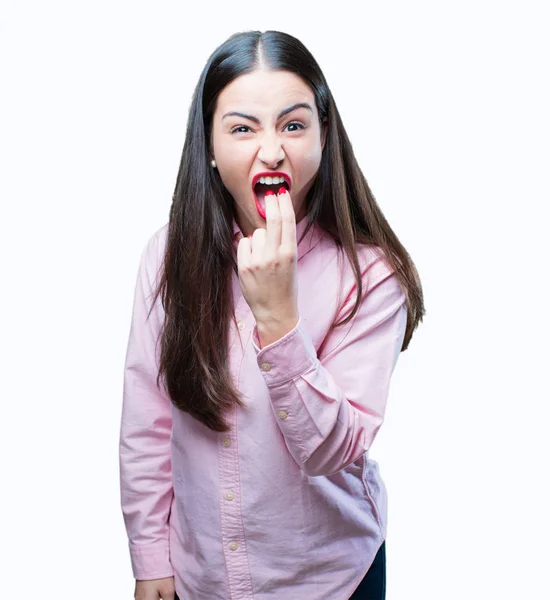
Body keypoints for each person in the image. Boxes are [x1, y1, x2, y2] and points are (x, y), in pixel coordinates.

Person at [119, 29, 424, 600]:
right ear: (208, 146)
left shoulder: (371, 273)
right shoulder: (165, 256)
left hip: (332, 579)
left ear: (323, 135)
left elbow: (331, 451)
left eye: (293, 124)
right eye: (242, 128)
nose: (272, 149)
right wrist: (150, 557)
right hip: (199, 575)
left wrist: (279, 320)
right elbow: (147, 418)